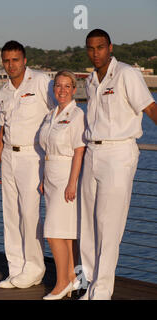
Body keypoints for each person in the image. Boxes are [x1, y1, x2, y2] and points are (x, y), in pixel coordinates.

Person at [79, 29, 157, 300]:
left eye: (100, 47)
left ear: (110, 47)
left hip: (119, 153)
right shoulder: (90, 80)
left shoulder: (126, 74)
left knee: (108, 224)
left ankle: (101, 292)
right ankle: (89, 284)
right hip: (92, 152)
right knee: (87, 224)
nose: (95, 52)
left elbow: (150, 108)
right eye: (91, 48)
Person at [0, 41, 54, 289]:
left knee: (29, 214)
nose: (11, 65)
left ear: (24, 60)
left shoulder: (40, 81)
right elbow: (3, 127)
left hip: (33, 155)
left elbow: (57, 113)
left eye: (15, 60)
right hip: (8, 155)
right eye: (6, 60)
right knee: (11, 214)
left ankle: (35, 268)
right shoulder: (4, 90)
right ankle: (15, 267)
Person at [38, 71, 85, 300]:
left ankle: (61, 283)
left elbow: (79, 151)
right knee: (65, 233)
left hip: (67, 175)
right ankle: (75, 279)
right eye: (58, 86)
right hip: (50, 174)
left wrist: (72, 183)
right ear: (53, 88)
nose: (62, 90)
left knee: (53, 232)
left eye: (67, 86)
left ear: (74, 89)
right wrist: (42, 178)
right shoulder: (50, 115)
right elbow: (45, 149)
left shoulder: (77, 115)